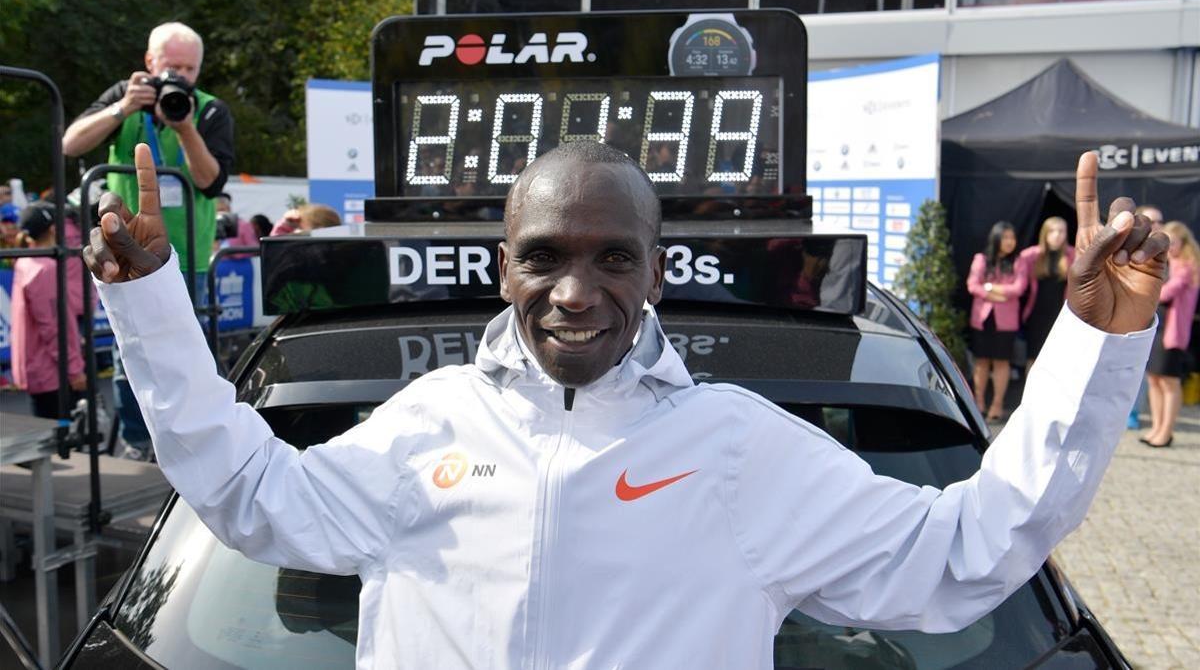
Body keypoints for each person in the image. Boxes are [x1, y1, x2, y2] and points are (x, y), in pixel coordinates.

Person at [85, 143, 1166, 668]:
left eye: (612, 257)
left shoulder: (738, 448)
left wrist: (1096, 343)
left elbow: (967, 550)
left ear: (656, 272)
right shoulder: (431, 422)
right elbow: (244, 487)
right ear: (504, 266)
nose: (574, 290)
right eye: (544, 257)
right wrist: (150, 307)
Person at [62, 21, 234, 459]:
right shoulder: (127, 94)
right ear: (149, 63)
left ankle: (195, 446)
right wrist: (123, 108)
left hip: (187, 257)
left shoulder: (208, 109)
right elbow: (70, 144)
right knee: (130, 354)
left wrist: (184, 126)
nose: (179, 77)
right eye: (170, 66)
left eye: (188, 69)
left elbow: (211, 183)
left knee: (189, 352)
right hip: (126, 255)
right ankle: (141, 445)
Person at [11, 203, 86, 418]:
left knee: (51, 439)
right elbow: (53, 326)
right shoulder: (46, 269)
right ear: (53, 229)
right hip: (52, 372)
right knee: (62, 440)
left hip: (39, 368)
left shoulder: (25, 260)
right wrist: (74, 369)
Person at [1142, 221, 1200, 448]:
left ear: (1184, 243)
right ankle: (1157, 427)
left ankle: (1166, 431)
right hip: (1157, 330)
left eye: (1173, 242)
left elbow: (1167, 293)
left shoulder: (1186, 266)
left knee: (1169, 382)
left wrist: (1145, 292)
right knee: (1154, 379)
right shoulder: (1166, 263)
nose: (1170, 246)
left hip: (1172, 333)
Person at [966, 221, 1027, 422]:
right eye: (1006, 237)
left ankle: (997, 403)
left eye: (1012, 238)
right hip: (983, 319)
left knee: (1001, 362)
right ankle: (979, 401)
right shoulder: (981, 259)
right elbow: (972, 285)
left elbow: (1018, 289)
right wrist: (994, 291)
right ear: (997, 238)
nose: (1010, 242)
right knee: (981, 362)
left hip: (1006, 322)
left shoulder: (1019, 262)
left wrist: (989, 288)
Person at [1017, 216, 1075, 368]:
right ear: (1045, 234)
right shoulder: (1031, 255)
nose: (1057, 235)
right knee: (1033, 358)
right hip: (1037, 314)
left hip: (1061, 314)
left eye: (1061, 231)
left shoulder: (1072, 255)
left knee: (1057, 359)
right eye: (1052, 231)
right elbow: (1020, 285)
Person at [1127, 204, 1165, 429]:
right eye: (1152, 220)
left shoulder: (1168, 253)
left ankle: (1134, 412)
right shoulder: (1123, 252)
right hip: (1127, 323)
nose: (1157, 226)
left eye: (1160, 221)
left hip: (1156, 323)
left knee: (1145, 374)